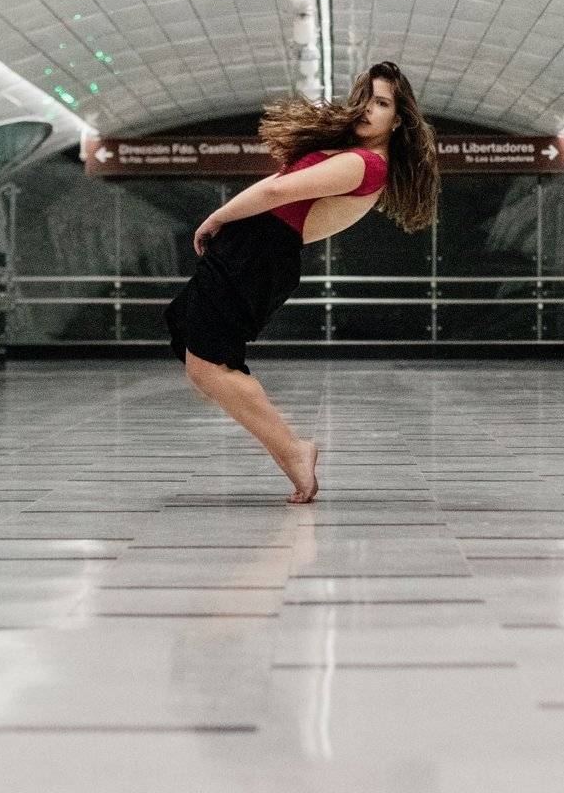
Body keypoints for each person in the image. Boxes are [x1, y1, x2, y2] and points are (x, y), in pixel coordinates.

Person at [164, 61, 439, 503]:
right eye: (365, 99)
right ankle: (292, 451)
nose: (368, 109)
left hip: (259, 252)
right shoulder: (352, 154)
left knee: (210, 365)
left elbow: (277, 192)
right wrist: (229, 223)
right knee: (202, 360)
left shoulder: (366, 164)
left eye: (382, 103)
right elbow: (277, 182)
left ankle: (293, 451)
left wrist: (217, 216)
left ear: (398, 119)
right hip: (253, 248)